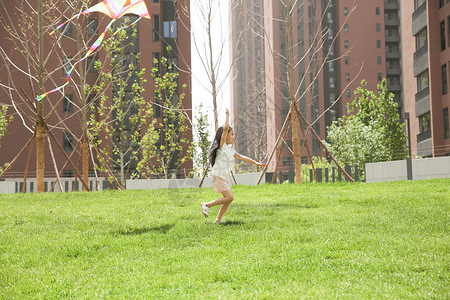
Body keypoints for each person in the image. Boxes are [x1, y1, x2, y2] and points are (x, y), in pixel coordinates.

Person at [201, 109, 265, 223]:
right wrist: (227, 116)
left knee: (228, 200)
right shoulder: (222, 146)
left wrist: (255, 163)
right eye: (231, 134)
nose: (233, 136)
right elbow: (225, 129)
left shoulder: (230, 150)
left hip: (222, 177)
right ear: (225, 137)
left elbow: (242, 157)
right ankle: (206, 205)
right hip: (218, 175)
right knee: (230, 198)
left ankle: (218, 220)